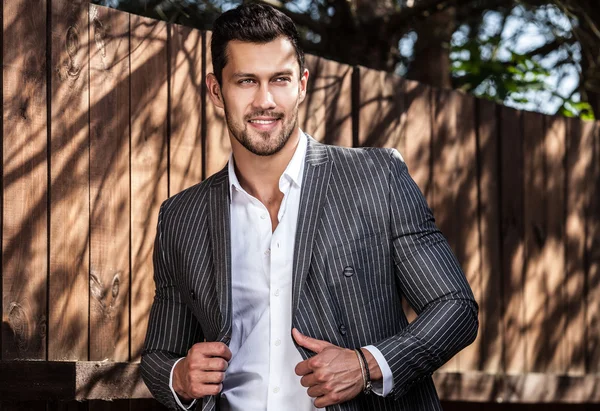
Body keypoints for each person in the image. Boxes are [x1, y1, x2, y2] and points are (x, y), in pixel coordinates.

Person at [140, 3, 478, 411]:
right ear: (216, 90)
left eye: (279, 79)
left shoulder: (377, 178)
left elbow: (455, 307)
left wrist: (367, 363)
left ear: (301, 84)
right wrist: (179, 375)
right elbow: (159, 354)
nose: (265, 100)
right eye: (246, 81)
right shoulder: (181, 217)